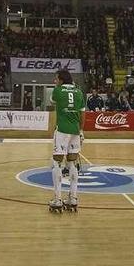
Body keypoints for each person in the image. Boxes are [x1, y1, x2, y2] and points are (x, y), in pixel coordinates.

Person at [49, 69, 85, 213]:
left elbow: (52, 101)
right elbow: (83, 113)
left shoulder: (57, 91)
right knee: (72, 163)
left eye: (56, 78)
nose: (54, 81)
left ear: (62, 80)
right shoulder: (79, 92)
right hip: (76, 131)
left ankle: (57, 199)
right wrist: (81, 130)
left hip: (62, 129)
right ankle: (73, 198)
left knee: (56, 162)